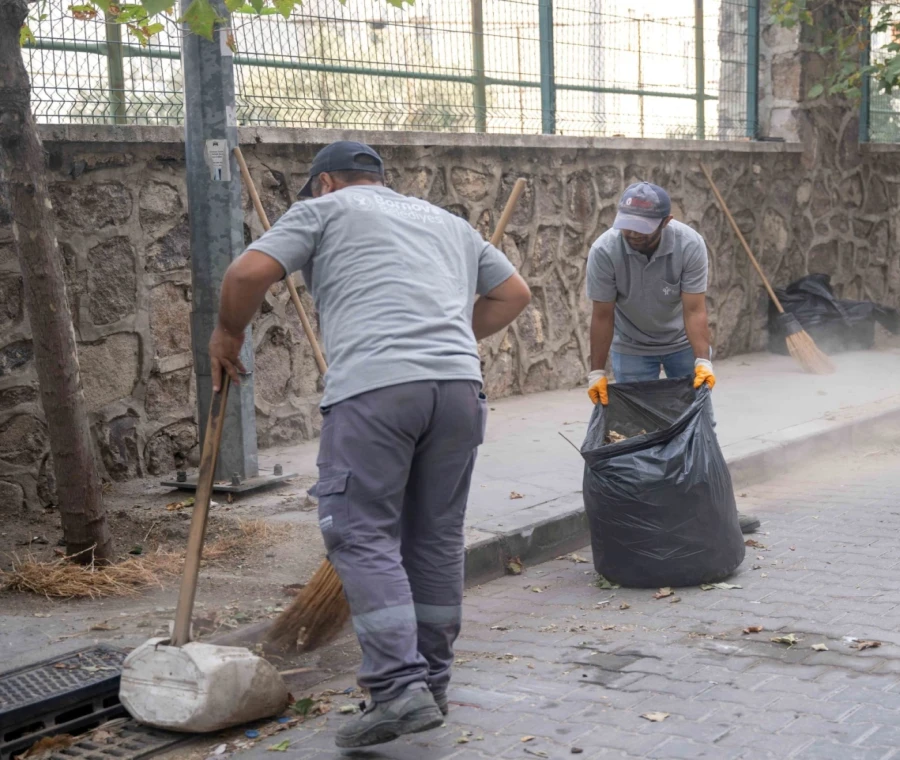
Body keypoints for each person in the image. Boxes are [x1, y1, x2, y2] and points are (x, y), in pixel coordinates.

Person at [209, 141, 530, 748]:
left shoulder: (323, 210)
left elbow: (247, 273)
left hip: (377, 391)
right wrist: (449, 335)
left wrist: (228, 334)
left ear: (325, 182)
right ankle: (430, 684)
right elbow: (515, 294)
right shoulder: (446, 221)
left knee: (360, 535)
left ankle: (397, 688)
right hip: (458, 391)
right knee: (434, 541)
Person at [585, 181, 760, 533]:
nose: (633, 234)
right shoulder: (605, 250)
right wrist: (596, 372)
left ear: (666, 222)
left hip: (681, 343)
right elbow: (602, 315)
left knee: (700, 427)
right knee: (636, 433)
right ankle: (648, 519)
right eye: (627, 225)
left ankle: (717, 512)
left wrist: (702, 361)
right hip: (632, 346)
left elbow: (694, 310)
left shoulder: (689, 244)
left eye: (642, 227)